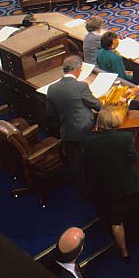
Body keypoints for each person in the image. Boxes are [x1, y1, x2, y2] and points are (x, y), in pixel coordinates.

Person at [82, 106, 139, 263]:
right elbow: (134, 158)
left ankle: (124, 253)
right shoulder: (125, 137)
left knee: (116, 222)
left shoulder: (89, 143)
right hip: (130, 185)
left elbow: (88, 167)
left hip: (109, 190)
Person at [45, 55, 103, 198]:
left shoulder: (52, 89)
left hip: (67, 132)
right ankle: (97, 188)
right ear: (78, 70)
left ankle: (84, 193)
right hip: (85, 131)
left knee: (75, 164)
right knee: (91, 160)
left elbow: (50, 115)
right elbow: (98, 106)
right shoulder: (81, 86)